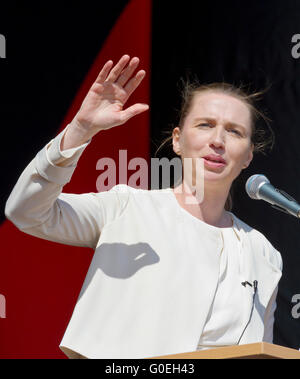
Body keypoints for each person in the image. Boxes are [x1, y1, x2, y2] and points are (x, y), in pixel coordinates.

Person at [5, 54, 282, 359]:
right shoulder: (128, 207)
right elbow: (26, 212)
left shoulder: (264, 253)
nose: (218, 139)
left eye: (234, 131)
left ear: (248, 156)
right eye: (205, 124)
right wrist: (80, 129)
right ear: (177, 140)